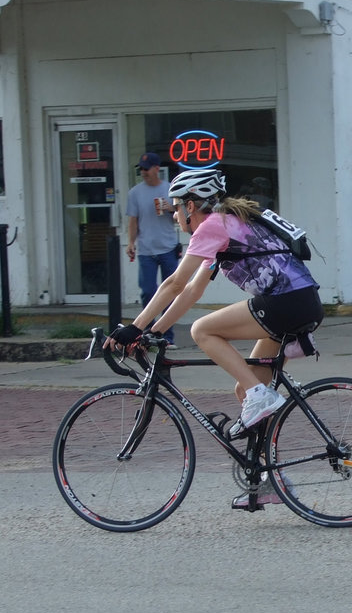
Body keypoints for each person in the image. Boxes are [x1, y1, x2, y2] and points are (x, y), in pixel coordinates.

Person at [105, 169, 324, 508]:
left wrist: (134, 327)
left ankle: (260, 398)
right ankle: (272, 480)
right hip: (299, 301)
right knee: (247, 387)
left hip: (286, 303)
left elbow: (173, 284)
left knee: (202, 330)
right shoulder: (225, 225)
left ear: (191, 205)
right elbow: (192, 291)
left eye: (176, 208)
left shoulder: (212, 226)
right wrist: (155, 331)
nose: (174, 215)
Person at [126, 152, 180, 344]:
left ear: (157, 168)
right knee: (148, 291)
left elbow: (182, 216)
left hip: (167, 248)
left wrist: (171, 209)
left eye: (147, 169)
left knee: (171, 293)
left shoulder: (170, 189)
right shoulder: (135, 193)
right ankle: (148, 333)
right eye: (141, 169)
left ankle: (167, 336)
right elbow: (133, 220)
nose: (144, 172)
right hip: (146, 250)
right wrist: (131, 242)